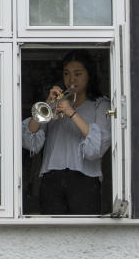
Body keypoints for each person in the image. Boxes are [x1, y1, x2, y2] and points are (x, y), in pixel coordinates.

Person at [21, 49, 111, 215]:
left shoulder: (100, 105)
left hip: (85, 180)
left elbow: (97, 148)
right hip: (51, 178)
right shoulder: (58, 103)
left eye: (78, 74)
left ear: (89, 75)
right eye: (67, 74)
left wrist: (72, 113)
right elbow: (29, 138)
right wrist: (47, 105)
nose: (71, 79)